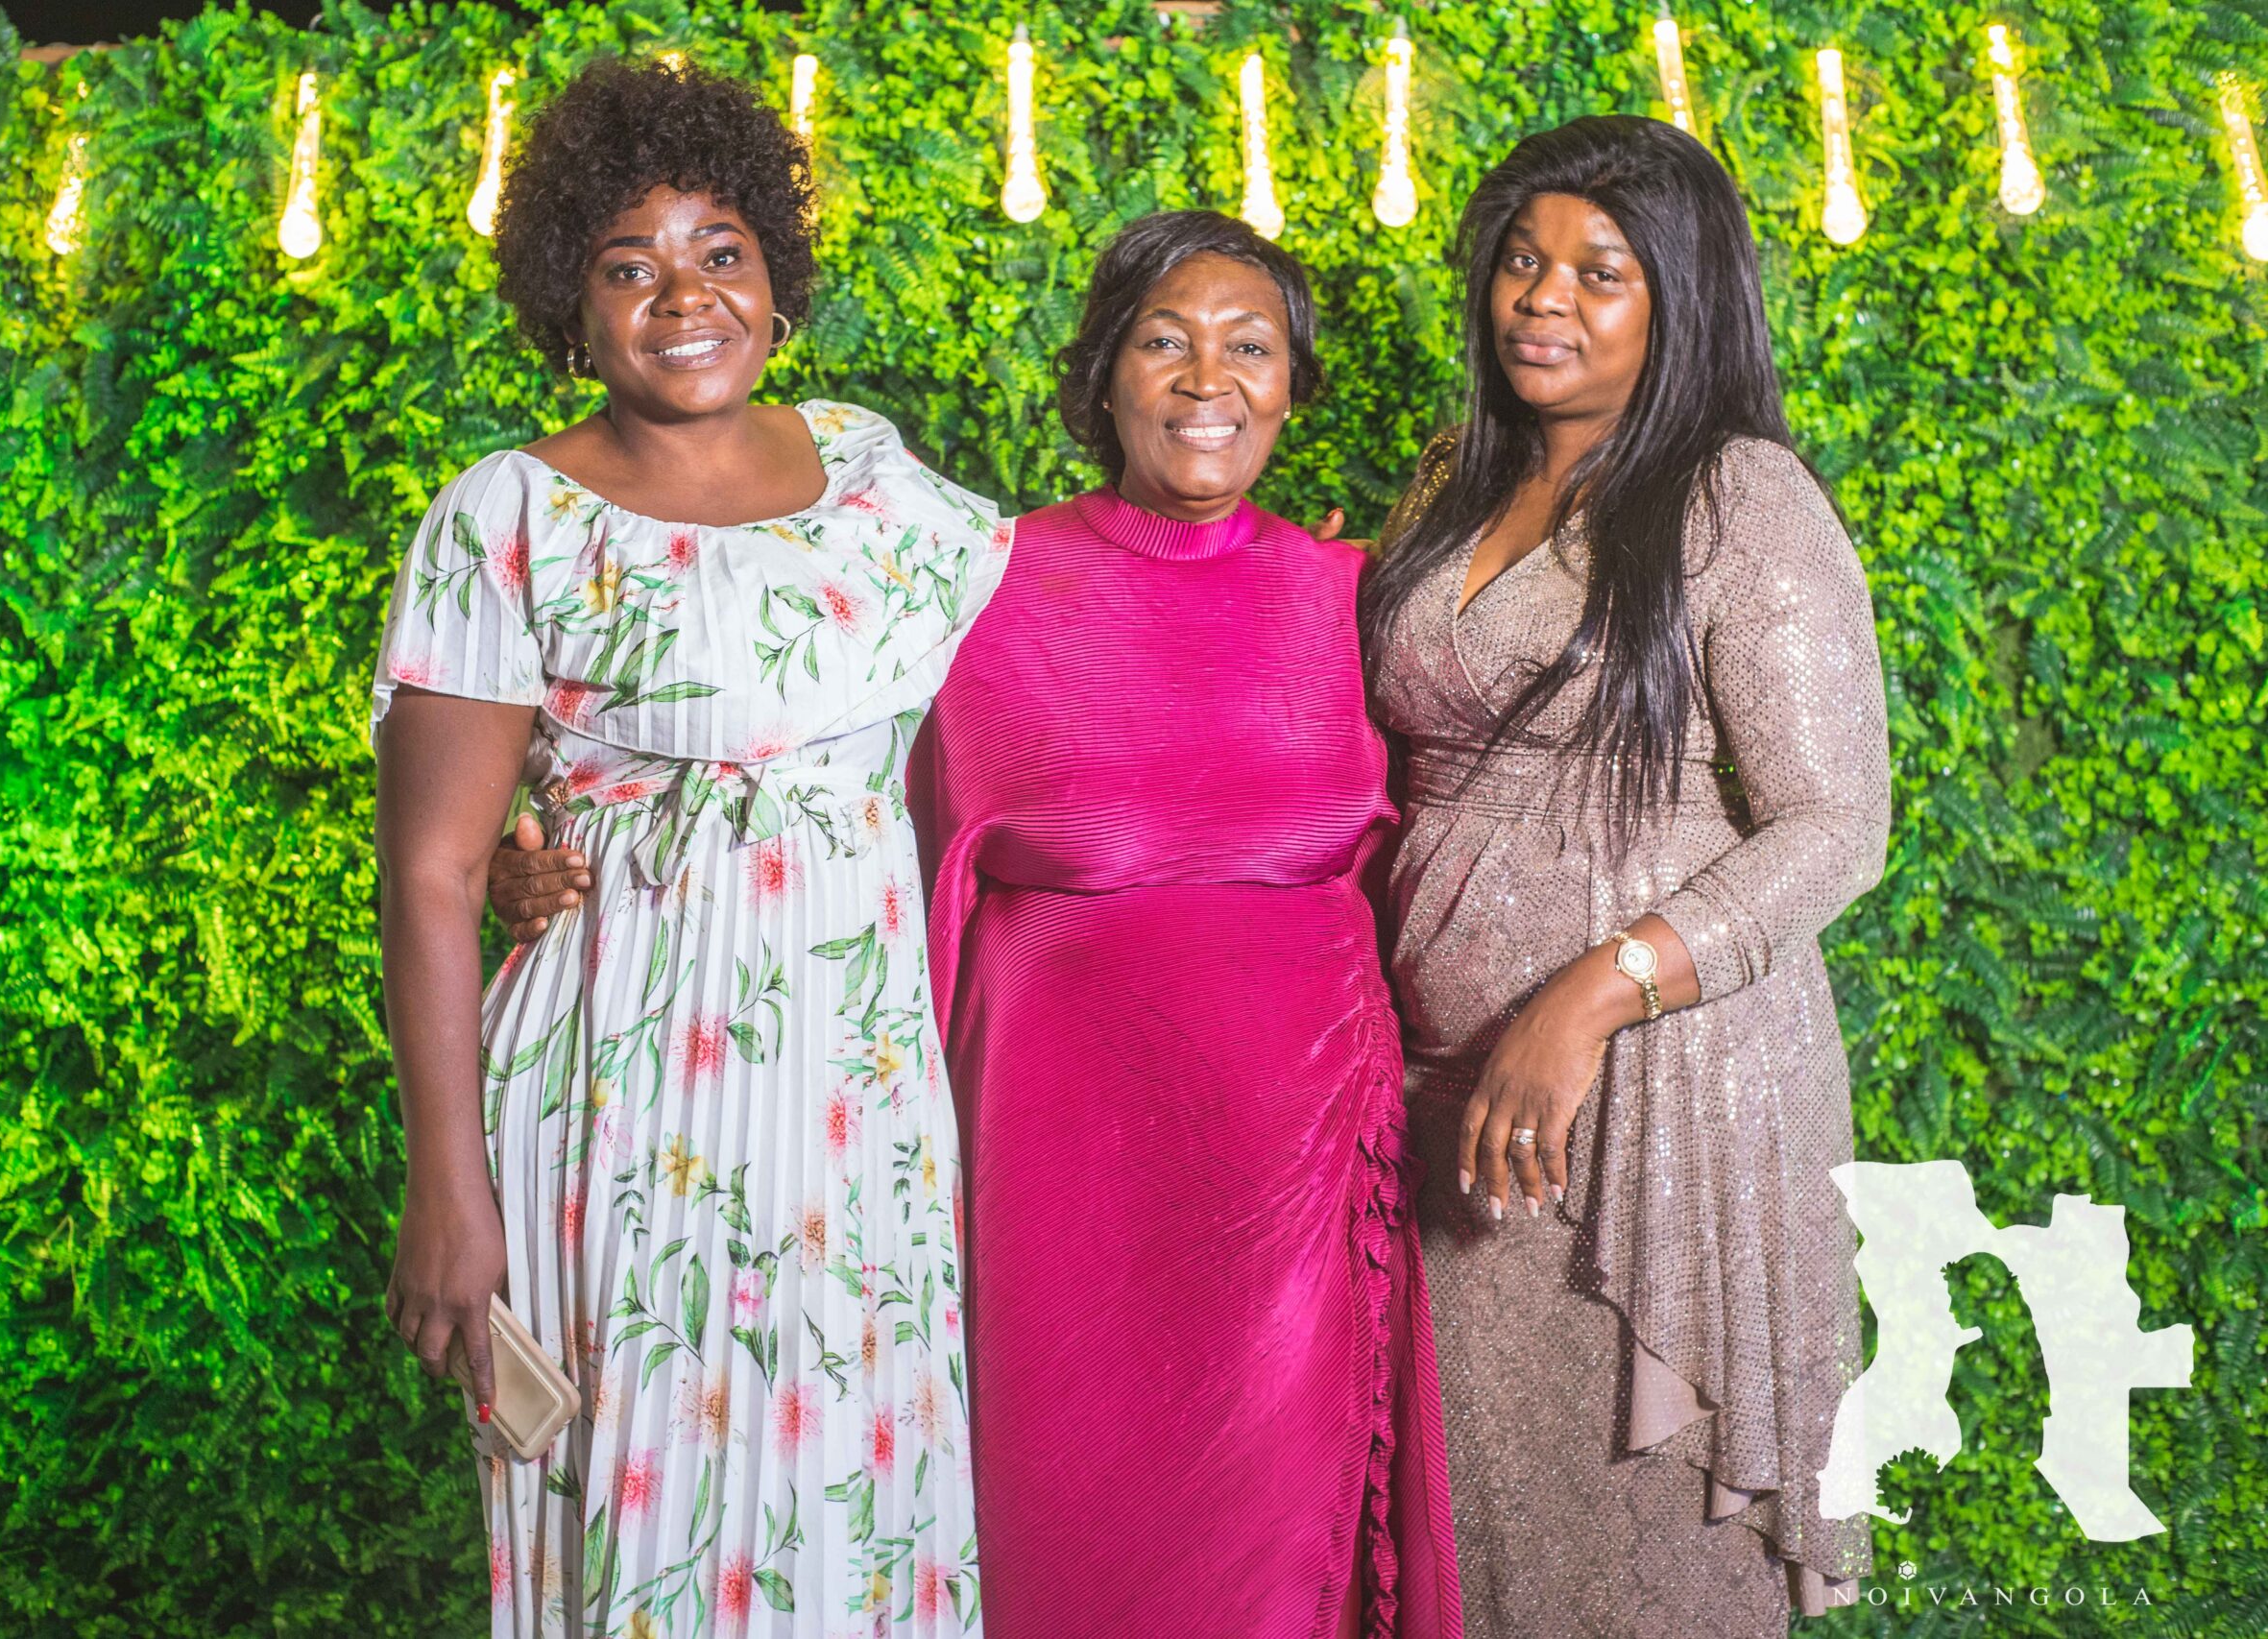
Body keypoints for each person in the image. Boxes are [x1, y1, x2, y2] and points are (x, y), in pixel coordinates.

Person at [495, 211, 1462, 1638]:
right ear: (1104, 376)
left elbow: (1504, 786)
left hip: (1298, 1160)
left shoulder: (1361, 595)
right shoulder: (974, 576)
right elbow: (773, 729)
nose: (1209, 380)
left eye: (1251, 347)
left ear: (1293, 387)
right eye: (1166, 341)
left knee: (1274, 1551)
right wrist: (536, 843)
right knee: (1052, 1528)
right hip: (1055, 1155)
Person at [372, 60, 997, 1638]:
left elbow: (1052, 634)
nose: (684, 296)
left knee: (853, 1495)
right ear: (569, 308)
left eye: (721, 250)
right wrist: (447, 1186)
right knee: (646, 1507)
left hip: (856, 1098)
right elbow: (434, 872)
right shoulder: (508, 515)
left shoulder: (874, 475)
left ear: (776, 277)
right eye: (627, 265)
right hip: (621, 1088)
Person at [1360, 115, 1887, 1636]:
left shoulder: (1738, 498)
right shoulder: (1453, 479)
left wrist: (1588, 999)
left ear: (1683, 298)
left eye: (1600, 272)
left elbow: (1835, 827)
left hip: (1664, 1091)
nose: (1543, 298)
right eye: (1522, 262)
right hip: (1441, 1082)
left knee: (1645, 1530)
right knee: (1481, 1529)